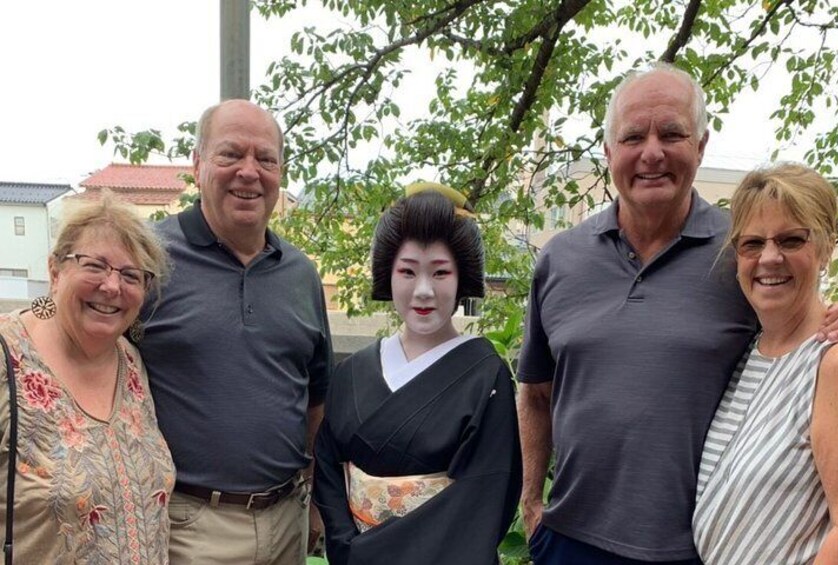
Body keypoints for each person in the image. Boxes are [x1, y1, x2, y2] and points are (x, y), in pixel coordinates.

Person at [517, 63, 838, 564]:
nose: (652, 152)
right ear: (609, 152)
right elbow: (535, 393)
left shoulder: (740, 253)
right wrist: (531, 503)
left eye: (672, 133)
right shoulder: (560, 259)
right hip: (569, 540)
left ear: (701, 145)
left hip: (694, 550)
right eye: (633, 137)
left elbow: (800, 318)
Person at [136, 99, 333, 564]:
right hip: (188, 525)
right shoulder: (147, 258)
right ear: (198, 164)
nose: (250, 172)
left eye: (265, 158)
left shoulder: (301, 274)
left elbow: (317, 397)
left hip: (287, 519)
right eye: (231, 155)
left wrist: (317, 500)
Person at [313, 185, 522, 565]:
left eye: (440, 273)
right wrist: (347, 547)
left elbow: (485, 495)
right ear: (387, 276)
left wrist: (371, 554)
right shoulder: (353, 372)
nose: (423, 291)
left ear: (461, 279)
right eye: (407, 271)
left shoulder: (485, 376)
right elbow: (327, 467)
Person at [0, 193, 174, 563]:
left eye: (131, 275)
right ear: (55, 271)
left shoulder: (132, 363)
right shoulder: (7, 358)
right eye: (94, 266)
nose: (112, 287)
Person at [692, 163, 838, 563]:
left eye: (792, 240)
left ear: (827, 247)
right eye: (752, 244)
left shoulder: (835, 362)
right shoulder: (748, 353)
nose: (770, 258)